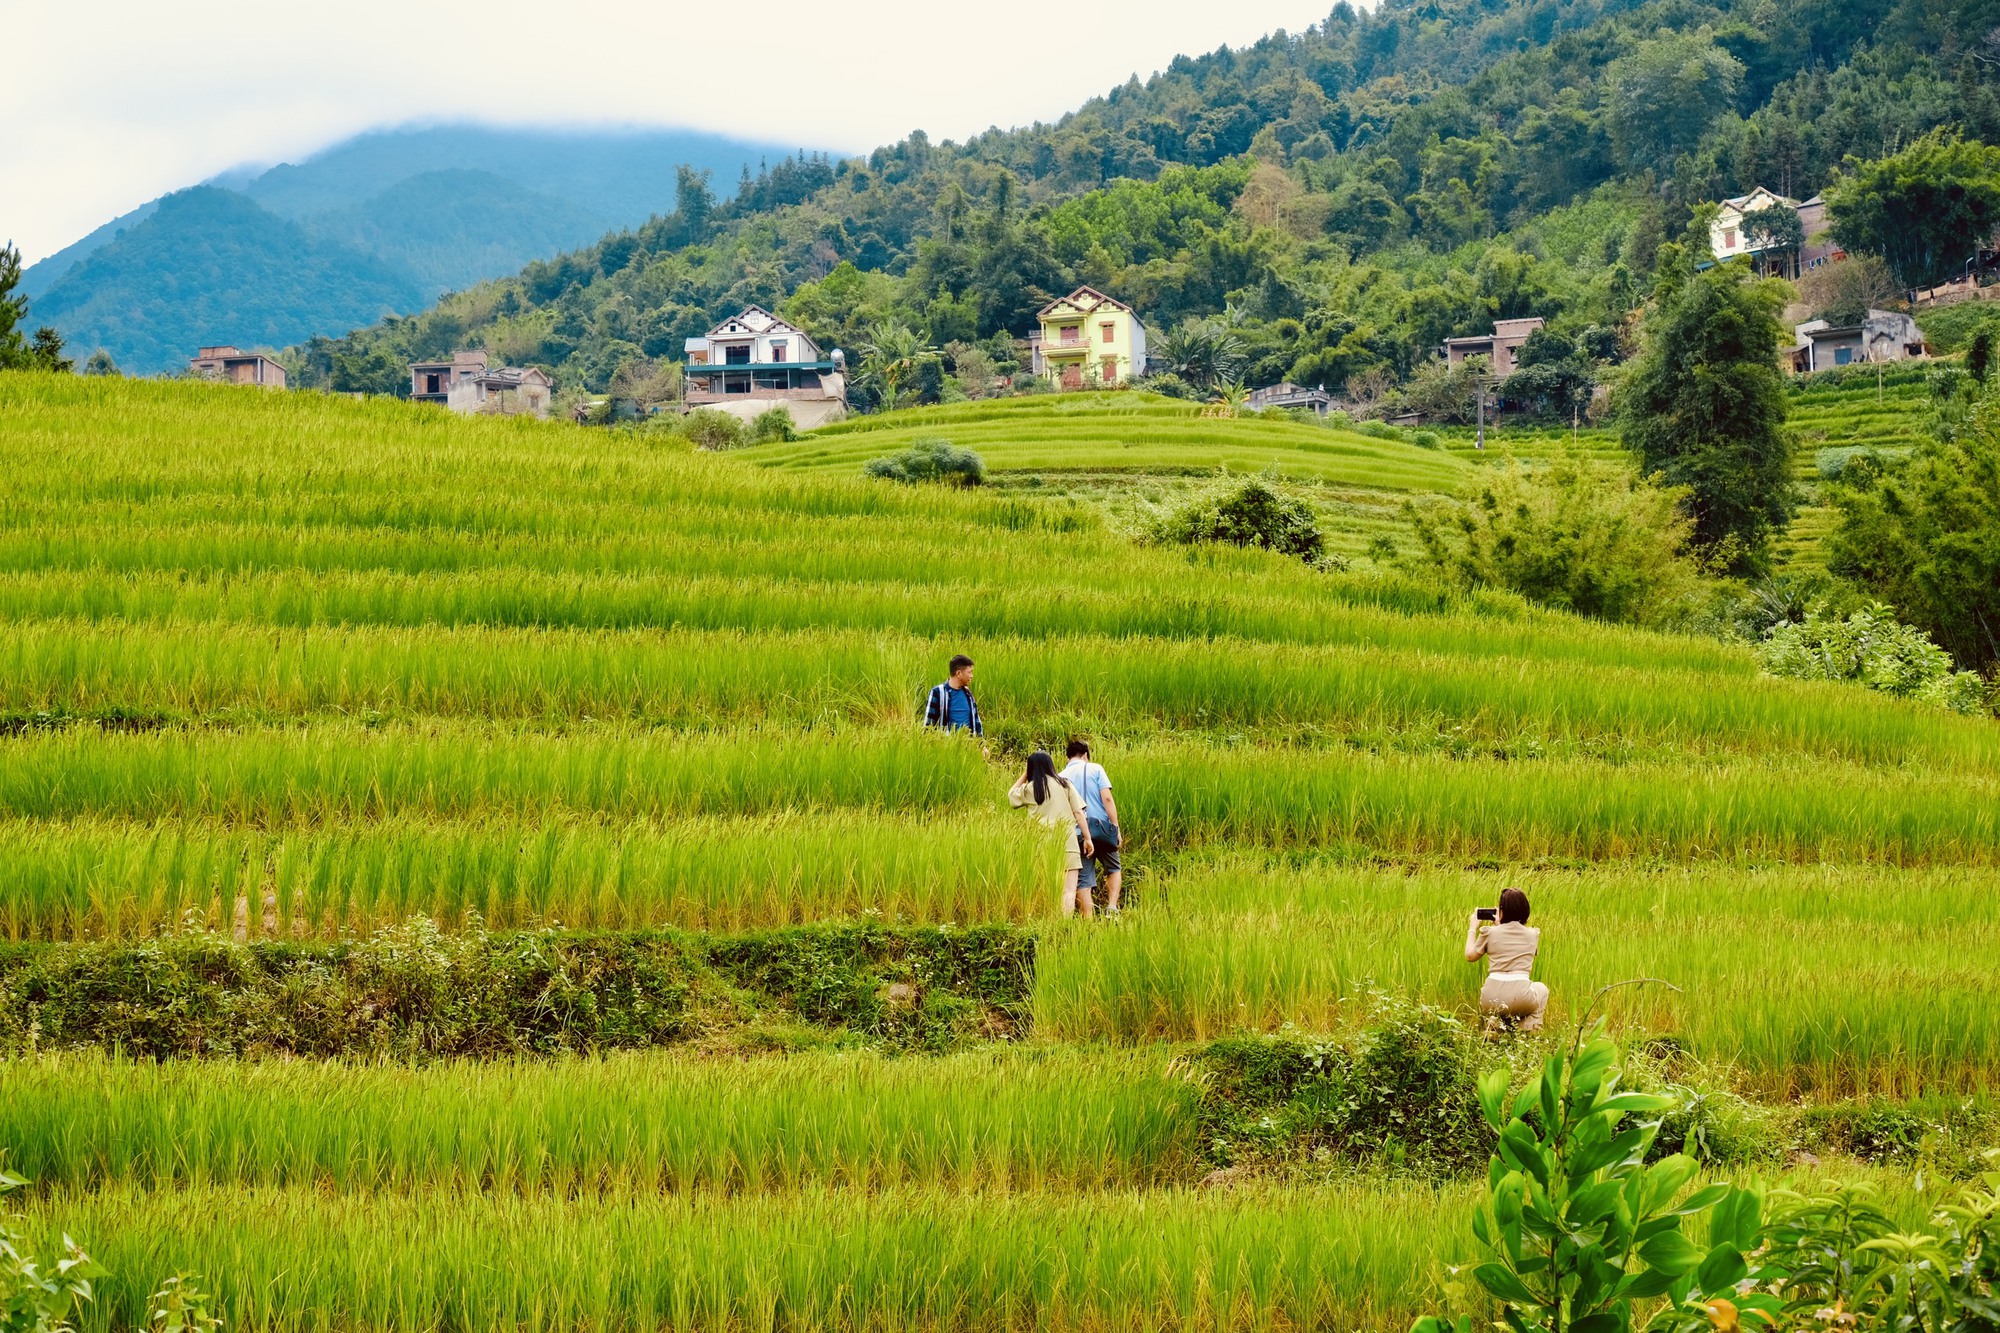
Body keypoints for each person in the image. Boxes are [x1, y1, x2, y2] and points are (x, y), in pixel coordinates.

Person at [1008, 750, 1095, 918]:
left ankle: (1049, 922)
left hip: (1043, 844)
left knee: (1048, 888)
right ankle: (1064, 925)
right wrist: (1088, 839)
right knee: (1068, 891)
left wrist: (1026, 774)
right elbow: (1078, 813)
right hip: (1067, 841)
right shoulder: (1065, 784)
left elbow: (1011, 795)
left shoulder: (1029, 789)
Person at [1465, 887, 1547, 1033]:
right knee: (1541, 989)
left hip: (1490, 998)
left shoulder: (1489, 933)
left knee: (1504, 1005)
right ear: (1525, 910)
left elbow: (1470, 956)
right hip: (1521, 996)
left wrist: (1472, 928)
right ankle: (1528, 1029)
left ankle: (1495, 1025)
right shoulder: (1532, 934)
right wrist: (1501, 926)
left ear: (1502, 911)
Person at [1061, 740, 1123, 916]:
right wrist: (1115, 827)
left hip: (1077, 833)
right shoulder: (1095, 769)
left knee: (1084, 879)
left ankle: (1088, 921)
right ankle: (1111, 908)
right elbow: (1107, 798)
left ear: (1068, 757)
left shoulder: (1061, 776)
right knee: (1113, 867)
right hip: (1102, 829)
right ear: (1086, 755)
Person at [922, 654, 983, 737]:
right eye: (969, 672)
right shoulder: (937, 692)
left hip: (969, 746)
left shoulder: (968, 693)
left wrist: (981, 744)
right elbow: (928, 725)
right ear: (958, 673)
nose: (971, 676)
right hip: (947, 746)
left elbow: (976, 721)